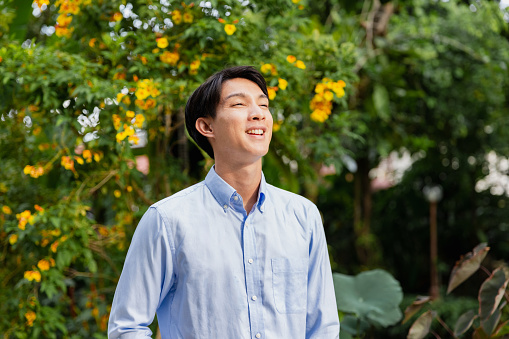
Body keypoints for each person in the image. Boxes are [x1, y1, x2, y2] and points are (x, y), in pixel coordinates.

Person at [108, 66, 340, 338]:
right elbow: (127, 327)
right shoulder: (167, 221)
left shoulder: (303, 215)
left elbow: (322, 328)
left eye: (263, 104)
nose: (258, 113)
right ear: (206, 126)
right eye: (240, 104)